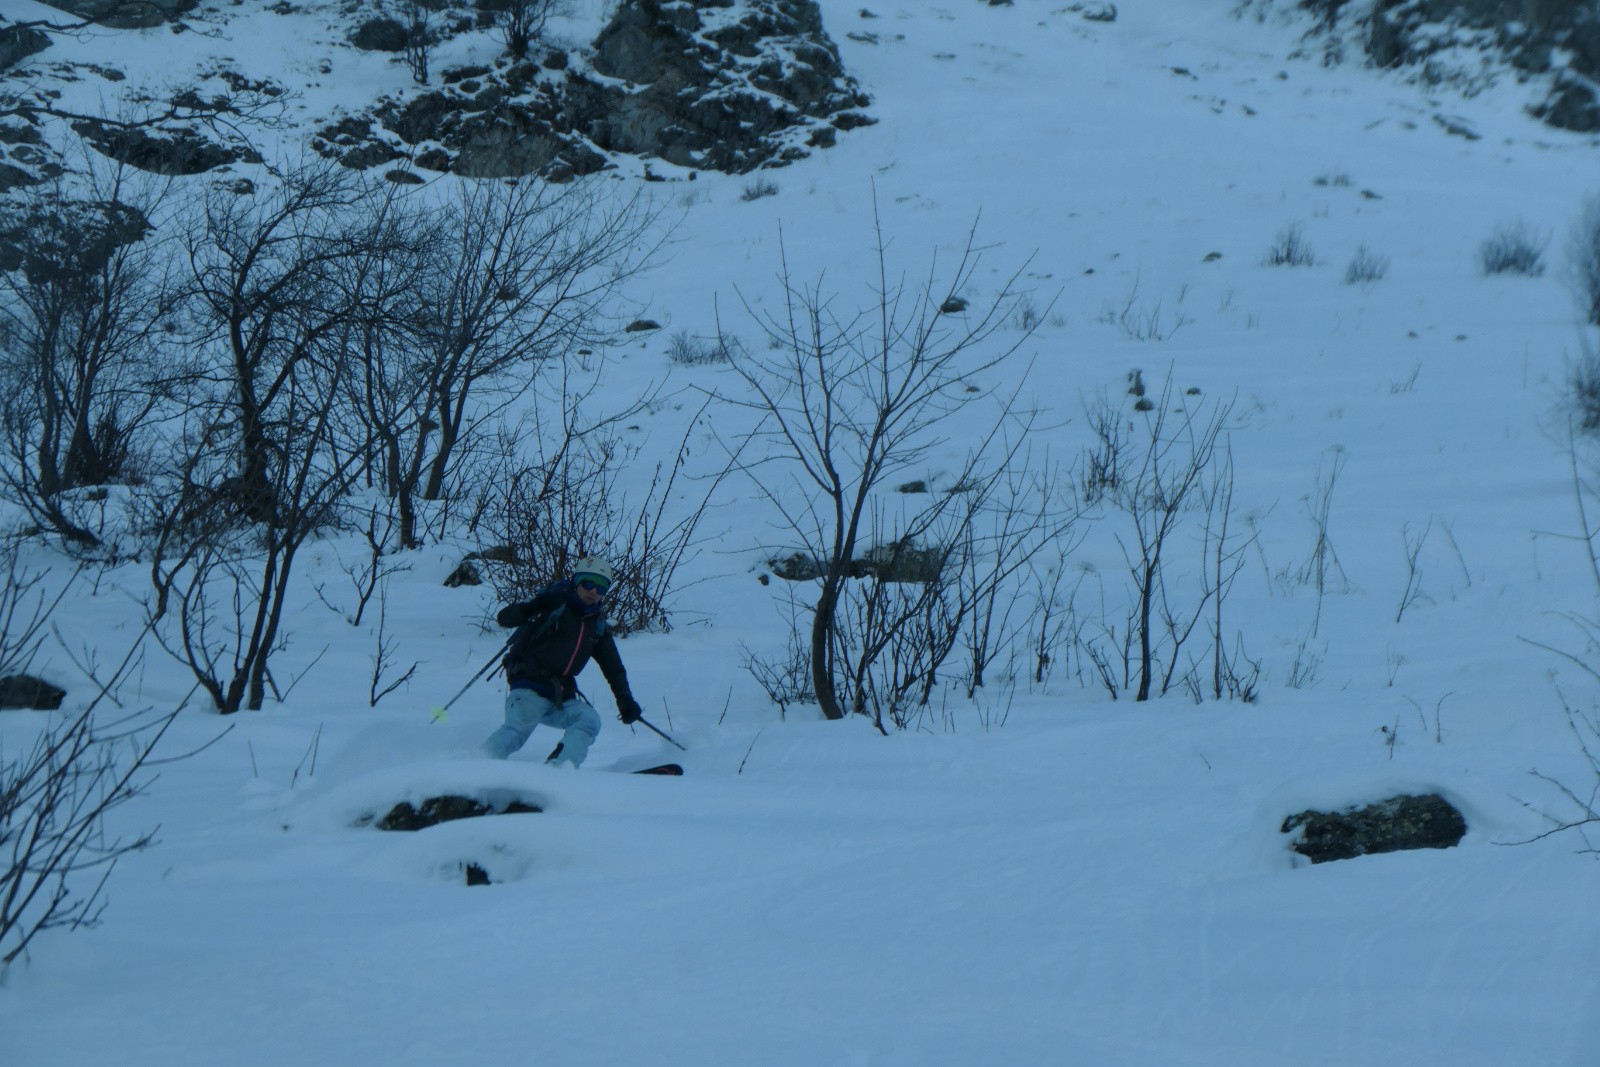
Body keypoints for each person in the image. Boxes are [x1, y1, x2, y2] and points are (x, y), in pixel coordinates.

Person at [482, 556, 644, 767]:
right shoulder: (555, 604)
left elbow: (614, 668)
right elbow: (505, 618)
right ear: (577, 582)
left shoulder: (597, 626)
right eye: (588, 583)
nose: (594, 591)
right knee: (517, 732)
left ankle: (559, 769)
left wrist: (625, 699)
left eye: (602, 588)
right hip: (528, 688)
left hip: (559, 695)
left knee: (589, 719)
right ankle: (476, 765)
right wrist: (534, 606)